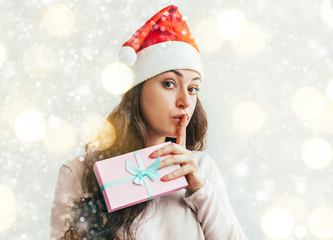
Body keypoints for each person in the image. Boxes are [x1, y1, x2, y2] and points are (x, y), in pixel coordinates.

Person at [50, 4, 248, 240]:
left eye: (193, 88)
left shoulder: (202, 168)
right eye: (169, 83)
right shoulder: (79, 173)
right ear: (138, 90)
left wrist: (199, 190)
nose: (185, 101)